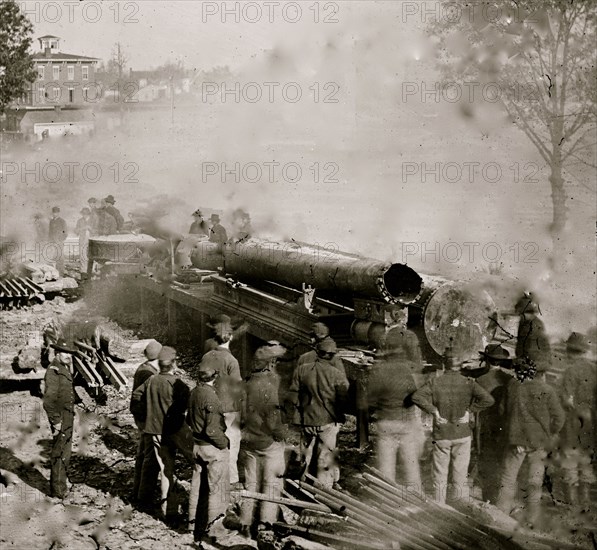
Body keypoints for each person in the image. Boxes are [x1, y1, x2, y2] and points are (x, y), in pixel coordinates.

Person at [412, 351, 494, 504]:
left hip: (442, 434)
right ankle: (460, 506)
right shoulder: (469, 383)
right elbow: (488, 400)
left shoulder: (435, 382)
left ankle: (439, 506)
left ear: (444, 365)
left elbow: (416, 396)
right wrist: (470, 411)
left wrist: (434, 412)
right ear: (460, 366)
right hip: (462, 434)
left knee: (439, 474)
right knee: (460, 474)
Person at [495, 359, 566, 527]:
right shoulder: (547, 390)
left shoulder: (512, 386)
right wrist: (549, 433)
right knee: (534, 480)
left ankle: (501, 515)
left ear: (518, 372)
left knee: (508, 478)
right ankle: (531, 520)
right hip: (539, 443)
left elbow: (502, 411)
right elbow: (559, 418)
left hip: (516, 441)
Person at [130, 346, 190, 520]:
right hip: (174, 431)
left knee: (164, 468)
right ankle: (176, 509)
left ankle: (164, 508)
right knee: (194, 463)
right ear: (173, 364)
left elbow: (136, 396)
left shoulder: (151, 380)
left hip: (155, 430)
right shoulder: (177, 384)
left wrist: (150, 413)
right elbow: (185, 406)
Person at [239, 344, 288, 537]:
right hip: (268, 443)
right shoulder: (268, 387)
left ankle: (245, 524)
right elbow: (273, 420)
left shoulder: (246, 382)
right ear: (269, 365)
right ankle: (265, 525)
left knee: (251, 484)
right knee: (271, 485)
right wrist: (282, 435)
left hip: (250, 441)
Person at [287, 339, 349, 488]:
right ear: (332, 355)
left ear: (317, 352)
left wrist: (297, 417)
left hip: (307, 419)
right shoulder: (336, 374)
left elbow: (293, 395)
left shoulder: (301, 369)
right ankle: (323, 492)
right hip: (327, 421)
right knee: (325, 459)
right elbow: (343, 398)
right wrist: (339, 418)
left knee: (305, 457)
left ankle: (303, 487)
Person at [368, 328, 423, 492]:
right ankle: (415, 499)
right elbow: (415, 395)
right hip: (405, 422)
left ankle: (386, 498)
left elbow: (369, 398)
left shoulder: (379, 370)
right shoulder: (407, 370)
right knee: (411, 466)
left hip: (386, 422)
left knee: (386, 469)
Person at [186, 354, 233, 543]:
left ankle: (192, 524)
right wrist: (224, 444)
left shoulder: (194, 392)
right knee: (218, 490)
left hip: (197, 446)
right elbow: (212, 430)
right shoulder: (211, 397)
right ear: (215, 376)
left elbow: (189, 419)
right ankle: (216, 530)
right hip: (212, 449)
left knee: (197, 487)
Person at [201, 321, 243, 487]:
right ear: (230, 337)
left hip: (210, 406)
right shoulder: (231, 360)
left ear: (215, 338)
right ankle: (231, 479)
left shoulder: (206, 356)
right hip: (228, 408)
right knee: (232, 442)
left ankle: (212, 474)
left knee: (212, 440)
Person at [559, 332, 596, 509]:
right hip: (591, 419)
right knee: (586, 458)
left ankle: (572, 505)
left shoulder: (570, 371)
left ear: (570, 351)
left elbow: (567, 400)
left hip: (574, 419)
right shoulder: (593, 369)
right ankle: (586, 502)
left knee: (570, 458)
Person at [473, 344, 513, 504]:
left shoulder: (480, 380)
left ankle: (488, 498)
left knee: (487, 461)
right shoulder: (509, 379)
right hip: (505, 426)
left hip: (487, 426)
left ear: (487, 360)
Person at [42, 338, 77, 499]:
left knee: (66, 452)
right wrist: (55, 421)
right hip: (61, 417)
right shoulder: (54, 370)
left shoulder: (64, 367)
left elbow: (66, 391)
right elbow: (49, 400)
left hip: (67, 415)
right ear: (57, 353)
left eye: (70, 353)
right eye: (65, 353)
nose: (69, 356)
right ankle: (57, 491)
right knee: (60, 452)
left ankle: (61, 485)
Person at [129, 339, 162, 503]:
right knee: (150, 459)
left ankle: (137, 492)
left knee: (142, 455)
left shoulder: (143, 368)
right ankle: (144, 498)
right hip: (147, 420)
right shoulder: (149, 374)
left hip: (141, 418)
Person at [515, 295, 551, 366]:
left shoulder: (534, 325)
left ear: (528, 313)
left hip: (535, 361)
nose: (520, 316)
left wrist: (521, 361)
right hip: (528, 359)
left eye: (521, 313)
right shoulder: (525, 321)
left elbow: (531, 348)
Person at [48, 206, 67, 276]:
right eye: (53, 213)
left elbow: (65, 233)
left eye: (56, 213)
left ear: (58, 213)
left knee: (60, 258)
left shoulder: (62, 221)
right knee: (53, 258)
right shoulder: (51, 221)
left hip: (59, 242)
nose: (55, 214)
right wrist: (50, 241)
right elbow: (50, 233)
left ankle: (61, 273)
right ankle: (54, 273)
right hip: (52, 242)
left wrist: (60, 240)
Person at [75, 208, 93, 275]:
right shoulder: (80, 221)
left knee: (91, 256)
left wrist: (90, 229)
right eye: (83, 214)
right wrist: (84, 228)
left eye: (86, 214)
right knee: (82, 256)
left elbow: (97, 231)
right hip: (82, 240)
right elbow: (76, 231)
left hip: (91, 240)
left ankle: (92, 271)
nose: (84, 215)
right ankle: (83, 271)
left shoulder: (93, 221)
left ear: (89, 214)